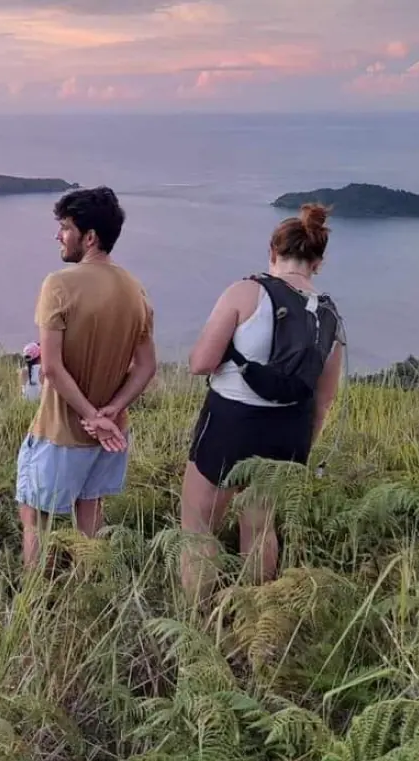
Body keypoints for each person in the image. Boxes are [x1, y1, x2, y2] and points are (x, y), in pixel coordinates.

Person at [180, 202, 344, 603]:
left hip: (231, 423)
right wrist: (301, 446)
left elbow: (200, 363)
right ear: (318, 263)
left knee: (198, 527)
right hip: (290, 431)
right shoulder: (330, 315)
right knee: (261, 528)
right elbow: (324, 397)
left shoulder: (246, 292)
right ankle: (256, 624)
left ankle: (197, 621)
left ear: (273, 252)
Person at [17, 187, 158, 570]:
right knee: (90, 513)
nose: (59, 236)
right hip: (112, 433)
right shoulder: (135, 289)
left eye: (65, 228)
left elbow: (51, 367)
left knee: (36, 518)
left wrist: (89, 414)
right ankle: (89, 588)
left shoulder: (59, 284)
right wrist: (111, 411)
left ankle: (35, 601)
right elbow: (146, 367)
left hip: (61, 429)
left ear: (89, 236)